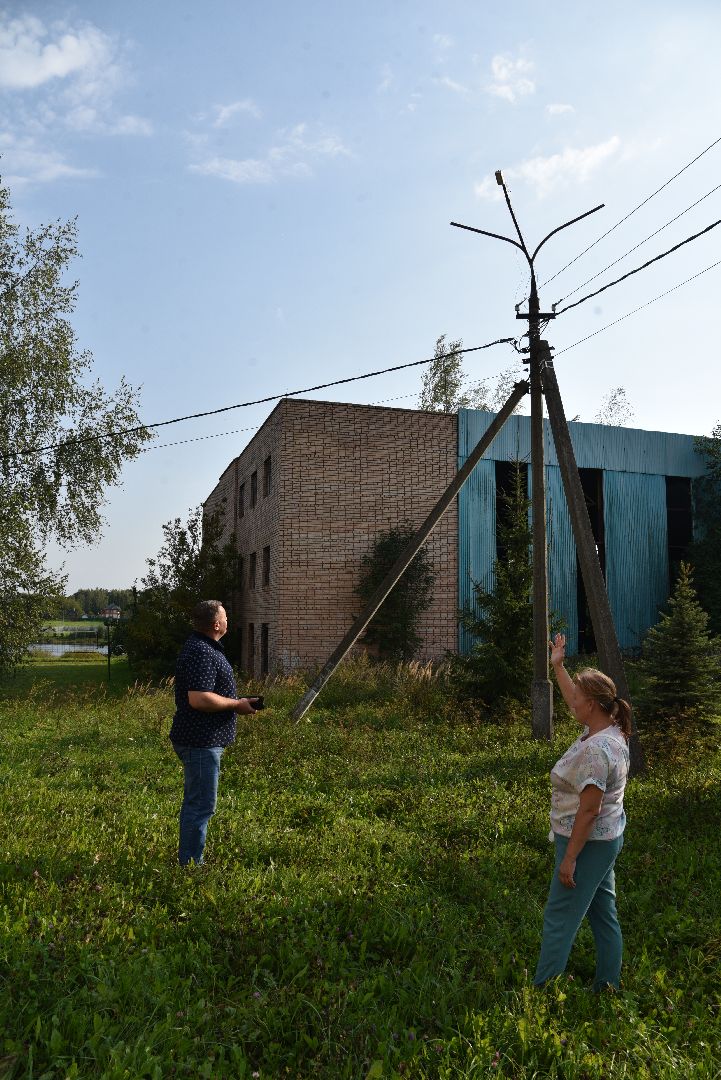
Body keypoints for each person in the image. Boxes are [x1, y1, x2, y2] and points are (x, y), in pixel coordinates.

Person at [533, 632, 631, 992]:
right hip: (608, 837)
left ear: (592, 705)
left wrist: (570, 858)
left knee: (559, 916)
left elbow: (589, 811)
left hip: (586, 841)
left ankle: (543, 993)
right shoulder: (611, 729)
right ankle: (608, 985)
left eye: (579, 697)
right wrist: (558, 665)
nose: (572, 701)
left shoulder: (595, 750)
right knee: (603, 913)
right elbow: (574, 697)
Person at [169, 600, 258, 866]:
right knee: (200, 805)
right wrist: (236, 704)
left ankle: (191, 861)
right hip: (200, 741)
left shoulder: (203, 648)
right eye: (226, 617)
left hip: (202, 740)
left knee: (198, 803)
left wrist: (237, 700)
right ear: (216, 624)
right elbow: (199, 698)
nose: (229, 621)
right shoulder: (202, 652)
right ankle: (191, 866)